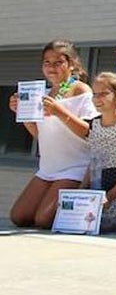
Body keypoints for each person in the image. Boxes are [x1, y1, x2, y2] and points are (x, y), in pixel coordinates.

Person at [47, 72, 116, 233]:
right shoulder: (94, 124)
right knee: (74, 221)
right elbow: (94, 160)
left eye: (103, 94)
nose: (97, 99)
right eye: (95, 94)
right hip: (100, 186)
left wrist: (111, 195)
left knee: (103, 224)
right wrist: (81, 190)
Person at [7, 41, 96, 229]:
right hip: (47, 169)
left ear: (71, 64)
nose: (51, 67)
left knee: (43, 220)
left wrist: (59, 111)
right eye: (47, 62)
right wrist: (22, 114)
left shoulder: (81, 89)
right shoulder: (43, 93)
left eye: (58, 62)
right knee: (19, 216)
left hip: (74, 168)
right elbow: (41, 136)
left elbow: (91, 132)